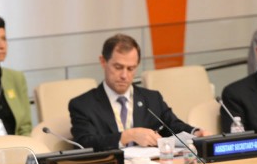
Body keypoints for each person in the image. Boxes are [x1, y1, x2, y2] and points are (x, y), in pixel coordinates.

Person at [69, 33, 209, 151]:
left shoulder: (152, 99)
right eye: (118, 67)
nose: (124, 75)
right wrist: (127, 136)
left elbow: (173, 126)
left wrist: (196, 133)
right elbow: (84, 143)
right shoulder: (83, 105)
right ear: (103, 62)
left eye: (131, 69)